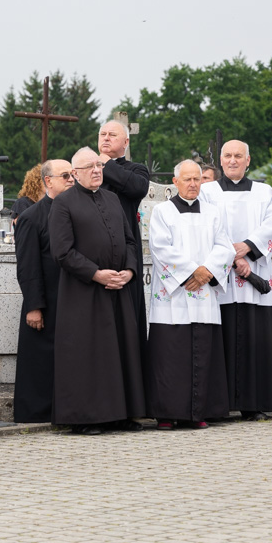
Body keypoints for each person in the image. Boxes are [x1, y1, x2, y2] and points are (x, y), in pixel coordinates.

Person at [49, 147, 145, 435]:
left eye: (99, 165)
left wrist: (128, 270)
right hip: (84, 294)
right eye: (89, 167)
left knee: (121, 351)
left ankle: (123, 413)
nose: (96, 170)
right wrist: (96, 274)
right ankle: (88, 416)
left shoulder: (113, 199)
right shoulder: (63, 203)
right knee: (91, 356)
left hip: (118, 289)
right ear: (75, 174)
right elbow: (62, 252)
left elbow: (130, 241)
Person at [146, 160, 234, 429]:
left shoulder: (214, 212)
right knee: (170, 357)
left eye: (197, 179)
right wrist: (191, 273)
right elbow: (160, 248)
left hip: (204, 295)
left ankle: (199, 413)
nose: (193, 184)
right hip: (173, 297)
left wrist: (207, 271)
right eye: (187, 179)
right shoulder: (162, 212)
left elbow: (225, 247)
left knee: (203, 354)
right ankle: (168, 414)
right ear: (175, 182)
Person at [200, 140, 272, 421]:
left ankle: (253, 404)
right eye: (228, 156)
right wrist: (233, 258)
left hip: (255, 276)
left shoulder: (265, 192)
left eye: (238, 156)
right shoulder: (207, 192)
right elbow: (204, 226)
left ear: (248, 160)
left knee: (255, 341)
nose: (233, 161)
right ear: (220, 161)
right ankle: (218, 405)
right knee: (219, 341)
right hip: (222, 277)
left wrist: (248, 246)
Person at [13, 159, 73, 422]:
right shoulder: (30, 217)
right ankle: (37, 414)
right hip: (45, 301)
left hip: (73, 299)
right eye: (65, 176)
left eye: (73, 175)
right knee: (41, 361)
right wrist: (35, 306)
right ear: (48, 181)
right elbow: (28, 267)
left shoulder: (78, 210)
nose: (72, 179)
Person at [97, 120, 150, 363]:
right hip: (93, 257)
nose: (106, 138)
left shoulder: (136, 169)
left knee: (127, 320)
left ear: (126, 142)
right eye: (102, 134)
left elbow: (136, 188)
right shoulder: (87, 169)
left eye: (112, 135)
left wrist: (105, 164)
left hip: (125, 255)